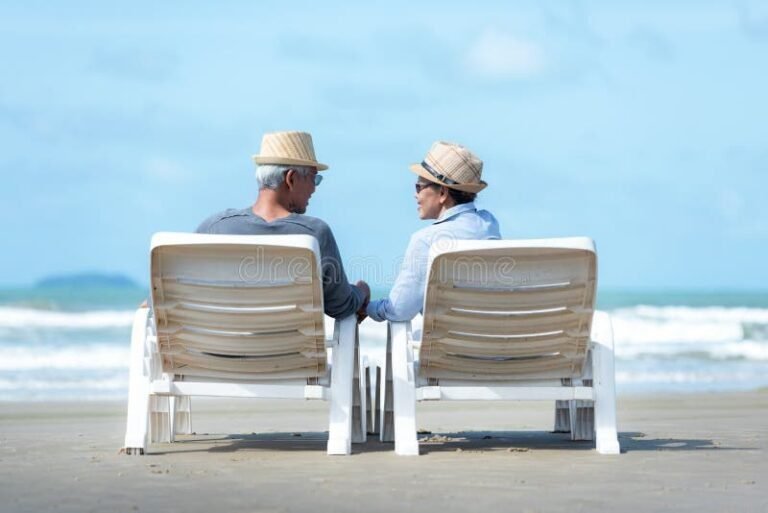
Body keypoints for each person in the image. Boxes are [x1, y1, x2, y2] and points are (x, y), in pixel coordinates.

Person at [197, 130, 370, 320]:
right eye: (314, 178)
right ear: (291, 178)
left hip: (220, 347)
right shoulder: (315, 234)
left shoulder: (215, 228)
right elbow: (340, 306)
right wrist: (361, 292)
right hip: (289, 350)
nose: (314, 188)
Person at [366, 141, 501, 322]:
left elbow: (397, 311)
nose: (416, 194)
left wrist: (365, 306)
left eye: (419, 187)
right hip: (492, 344)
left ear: (443, 193)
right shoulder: (489, 225)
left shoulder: (426, 241)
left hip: (446, 347)